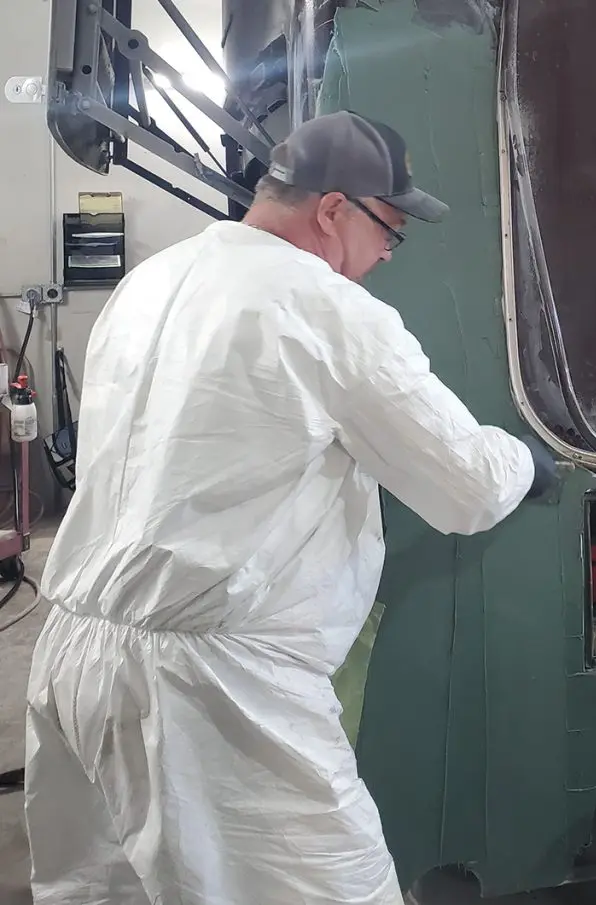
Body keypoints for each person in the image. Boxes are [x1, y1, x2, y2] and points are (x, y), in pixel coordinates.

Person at [23, 110, 558, 905]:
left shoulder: (154, 280)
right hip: (211, 685)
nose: (385, 253)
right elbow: (467, 485)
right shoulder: (326, 310)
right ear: (334, 210)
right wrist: (532, 461)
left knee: (104, 891)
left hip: (71, 649)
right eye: (389, 230)